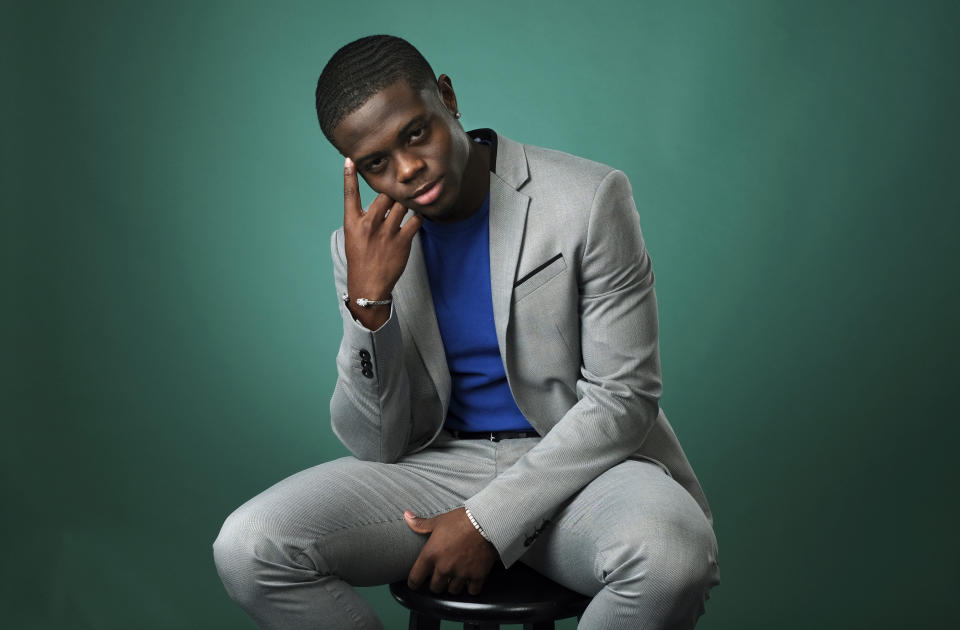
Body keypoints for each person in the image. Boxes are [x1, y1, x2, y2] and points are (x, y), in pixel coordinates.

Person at [213, 34, 720, 630]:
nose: (407, 170)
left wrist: (486, 521)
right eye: (377, 163)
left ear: (447, 98)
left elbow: (624, 398)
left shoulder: (587, 198)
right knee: (250, 547)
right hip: (436, 464)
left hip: (581, 464)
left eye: (415, 133)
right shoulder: (359, 251)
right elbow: (374, 445)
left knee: (670, 561)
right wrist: (367, 304)